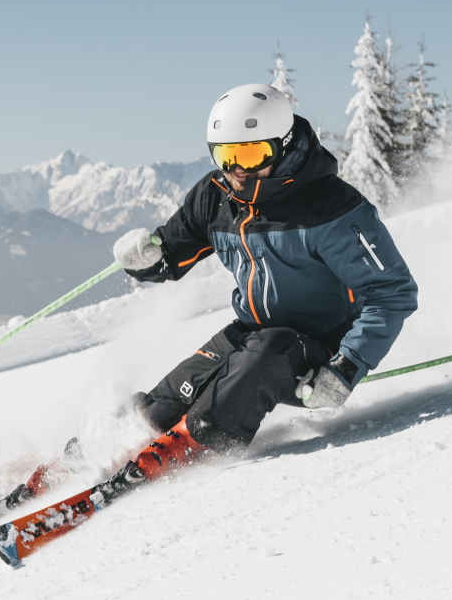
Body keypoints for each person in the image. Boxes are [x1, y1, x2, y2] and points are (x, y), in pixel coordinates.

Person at [111, 83, 419, 460]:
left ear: (284, 145)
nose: (238, 169)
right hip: (250, 334)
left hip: (321, 349)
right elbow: (171, 253)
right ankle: (107, 451)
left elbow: (392, 292)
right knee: (166, 403)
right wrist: (145, 258)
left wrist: (346, 367)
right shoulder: (215, 197)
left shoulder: (331, 208)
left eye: (253, 154)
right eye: (226, 156)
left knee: (264, 357)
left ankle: (195, 448)